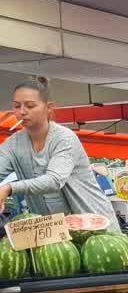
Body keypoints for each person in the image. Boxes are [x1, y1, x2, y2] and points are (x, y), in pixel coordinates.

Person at [0, 77, 119, 228]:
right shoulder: (13, 144)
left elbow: (54, 180)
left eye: (30, 106)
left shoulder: (65, 138)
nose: (22, 111)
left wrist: (9, 188)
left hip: (95, 229)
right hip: (53, 234)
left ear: (49, 107)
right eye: (16, 106)